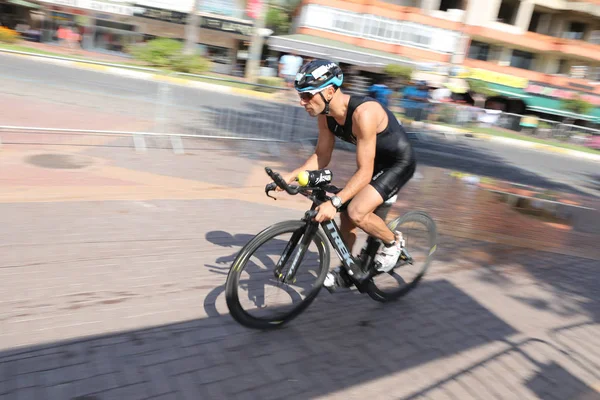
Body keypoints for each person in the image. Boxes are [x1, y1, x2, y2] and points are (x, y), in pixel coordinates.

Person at [277, 59, 417, 291]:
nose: (302, 102)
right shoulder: (326, 114)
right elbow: (322, 155)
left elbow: (365, 171)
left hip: (397, 163)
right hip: (372, 163)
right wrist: (290, 177)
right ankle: (349, 266)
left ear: (330, 91)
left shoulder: (364, 113)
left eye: (308, 95)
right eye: (300, 96)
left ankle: (394, 243)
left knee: (356, 211)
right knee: (346, 217)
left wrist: (334, 202)